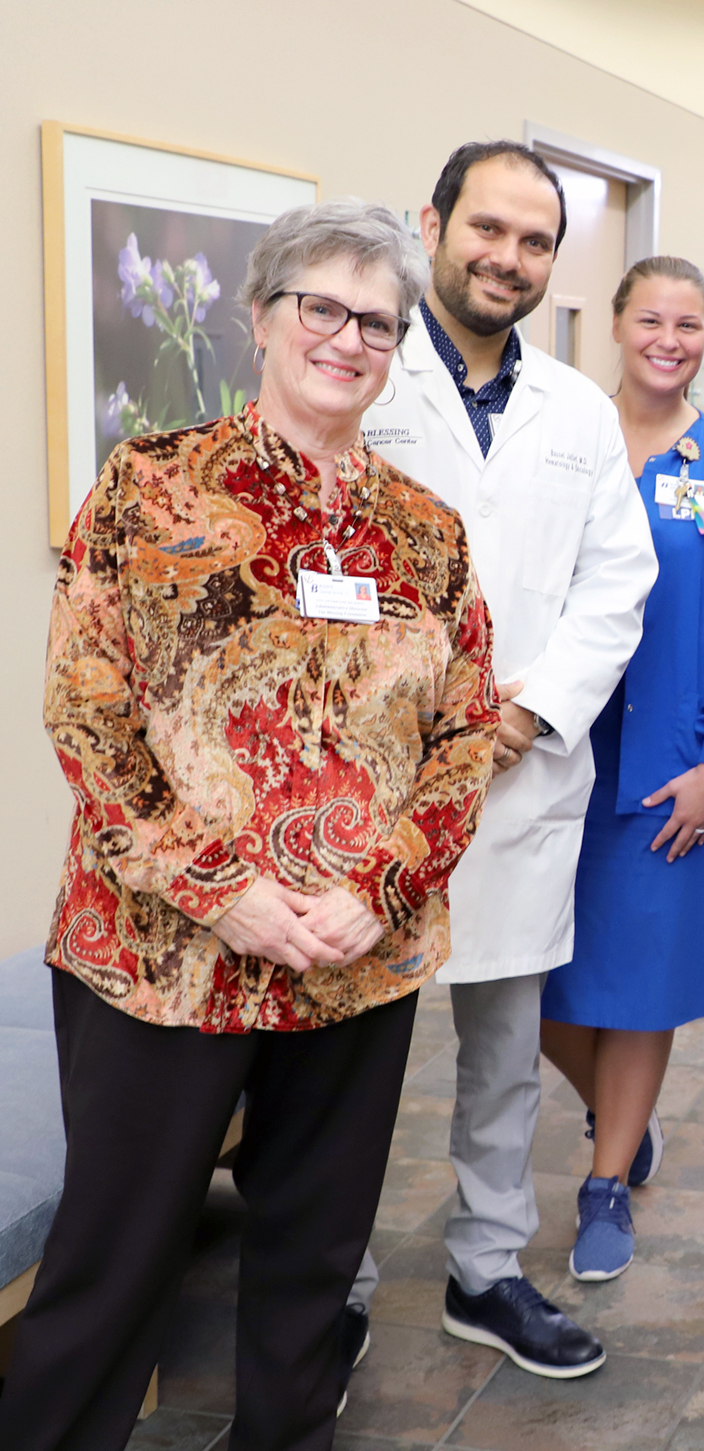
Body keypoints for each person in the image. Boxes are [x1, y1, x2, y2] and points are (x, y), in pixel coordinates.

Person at [0, 200, 499, 1451]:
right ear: (262, 319)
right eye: (319, 308)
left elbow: (465, 735)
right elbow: (85, 713)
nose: (347, 339)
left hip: (354, 961)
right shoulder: (148, 486)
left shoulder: (425, 532)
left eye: (376, 322)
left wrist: (377, 887)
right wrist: (216, 883)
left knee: (311, 1274)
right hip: (161, 961)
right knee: (110, 1268)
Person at [347, 141, 657, 1383]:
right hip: (361, 790)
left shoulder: (579, 409)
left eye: (536, 241)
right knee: (351, 1058)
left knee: (500, 1053)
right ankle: (337, 1282)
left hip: (516, 779)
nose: (509, 257)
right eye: (490, 229)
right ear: (434, 222)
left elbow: (616, 584)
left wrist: (520, 724)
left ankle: (487, 1269)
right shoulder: (359, 377)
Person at [538, 256, 704, 1281]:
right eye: (652, 318)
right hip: (552, 759)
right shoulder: (563, 440)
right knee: (541, 992)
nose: (670, 339)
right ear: (615, 323)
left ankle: (605, 1186)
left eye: (690, 323)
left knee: (641, 988)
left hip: (672, 768)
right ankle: (618, 1114)